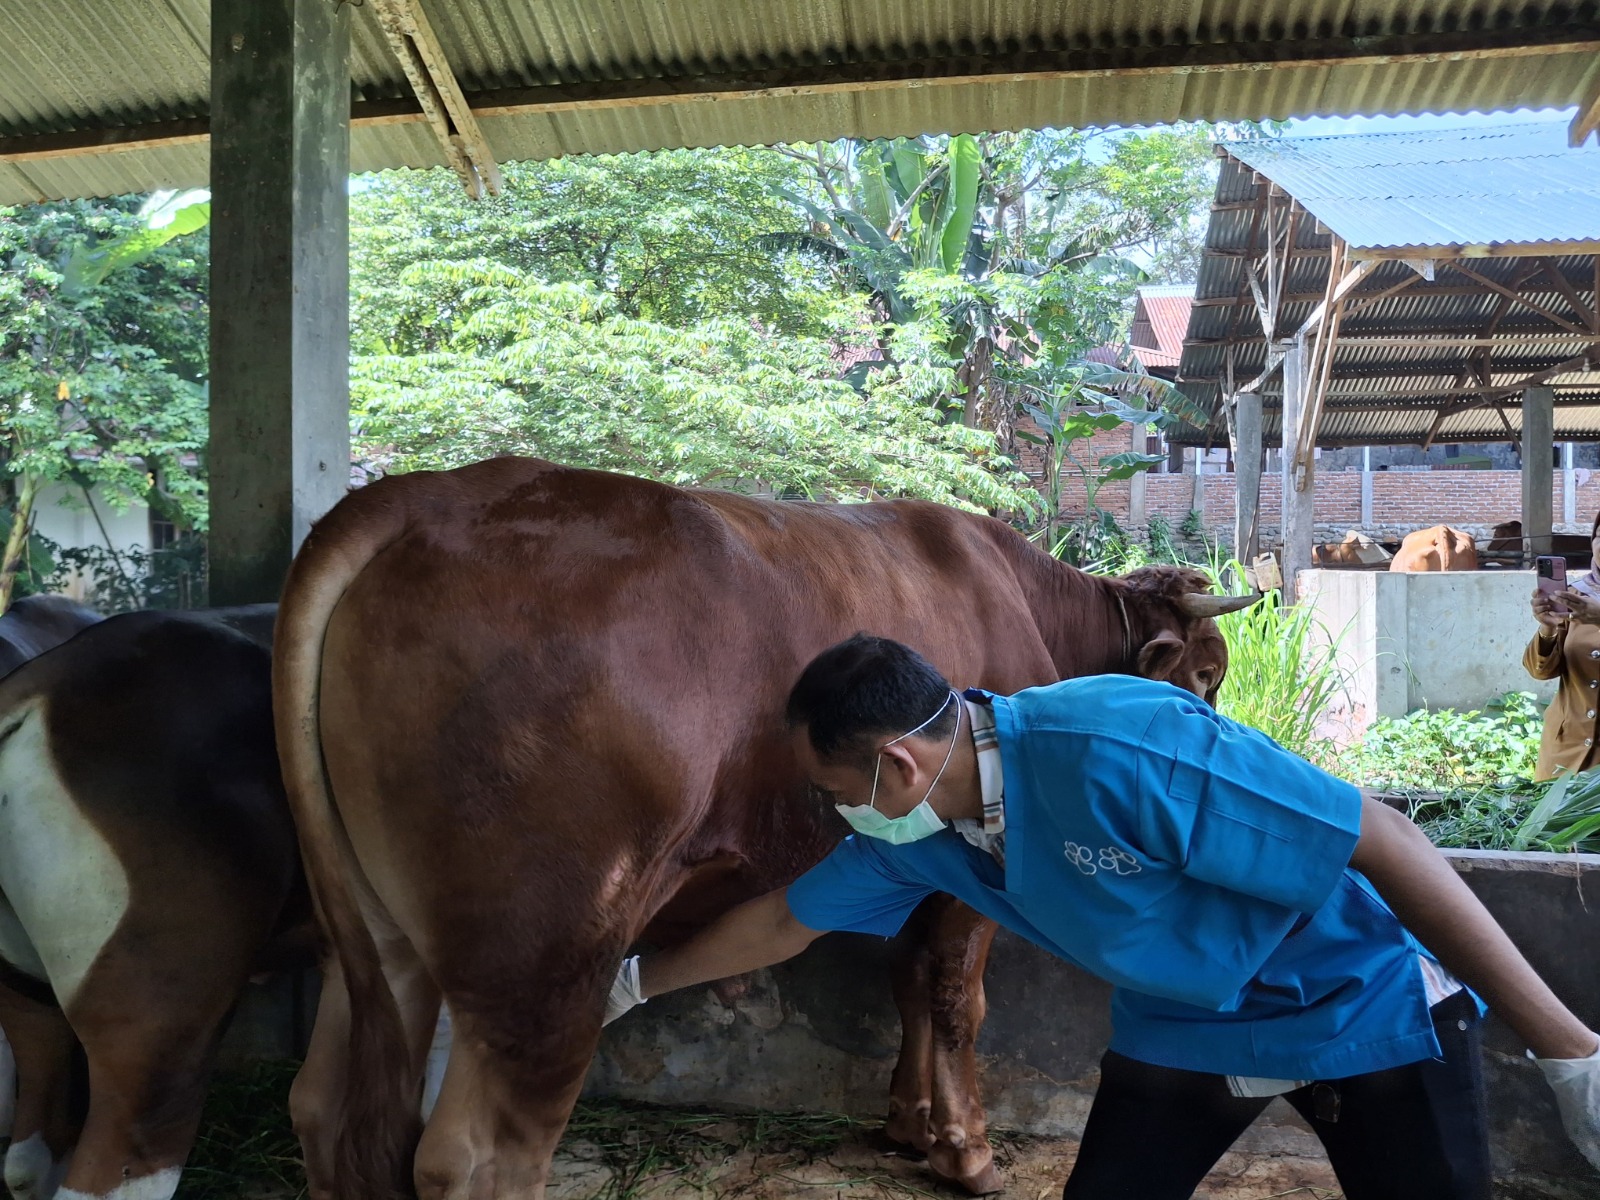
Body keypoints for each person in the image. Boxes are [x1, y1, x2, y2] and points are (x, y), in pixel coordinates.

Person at [605, 634, 1600, 1200]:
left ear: (896, 767)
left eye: (833, 790)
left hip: (1360, 1009)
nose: (835, 813)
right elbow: (784, 922)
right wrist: (628, 985)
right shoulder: (914, 839)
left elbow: (1384, 837)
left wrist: (1566, 1052)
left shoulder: (1115, 746)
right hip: (1186, 1032)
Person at [1527, 514, 1600, 778]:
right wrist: (1547, 628)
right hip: (1564, 756)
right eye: (1599, 537)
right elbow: (1541, 671)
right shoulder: (1576, 595)